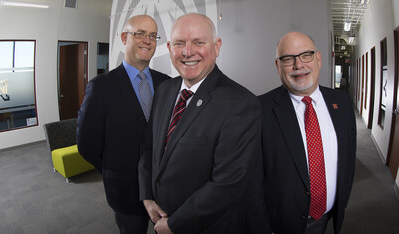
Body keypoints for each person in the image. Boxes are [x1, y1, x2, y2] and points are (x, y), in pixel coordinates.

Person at [138, 13, 261, 234]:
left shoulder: (241, 103)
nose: (187, 52)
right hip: (158, 216)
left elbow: (227, 184)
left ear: (217, 46)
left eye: (199, 42)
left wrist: (175, 225)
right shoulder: (165, 90)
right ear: (169, 47)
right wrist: (147, 196)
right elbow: (149, 147)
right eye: (179, 43)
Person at [245, 31, 357, 234]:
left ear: (319, 58)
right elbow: (251, 183)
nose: (298, 65)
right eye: (288, 59)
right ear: (278, 66)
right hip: (279, 225)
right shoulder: (259, 110)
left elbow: (348, 159)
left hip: (326, 217)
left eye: (306, 55)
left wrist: (341, 198)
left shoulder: (342, 102)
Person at [76, 15, 170, 234]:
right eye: (140, 33)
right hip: (125, 191)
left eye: (153, 35)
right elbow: (87, 145)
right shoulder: (100, 87)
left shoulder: (166, 83)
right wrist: (113, 170)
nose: (148, 40)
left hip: (165, 190)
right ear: (124, 37)